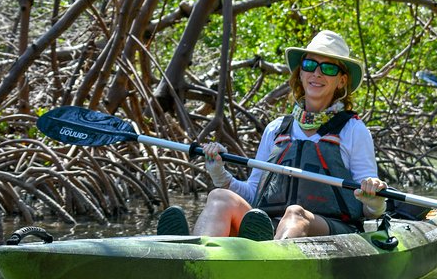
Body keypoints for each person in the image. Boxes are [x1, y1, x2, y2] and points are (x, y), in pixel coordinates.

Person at [157, 30, 388, 241]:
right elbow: (254, 193)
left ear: (342, 81)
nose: (316, 74)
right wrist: (219, 173)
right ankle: (193, 255)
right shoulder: (276, 129)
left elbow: (370, 211)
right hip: (271, 226)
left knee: (295, 214)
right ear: (301, 72)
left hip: (332, 228)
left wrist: (373, 198)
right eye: (309, 65)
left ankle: (267, 260)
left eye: (328, 68)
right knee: (219, 197)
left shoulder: (354, 130)